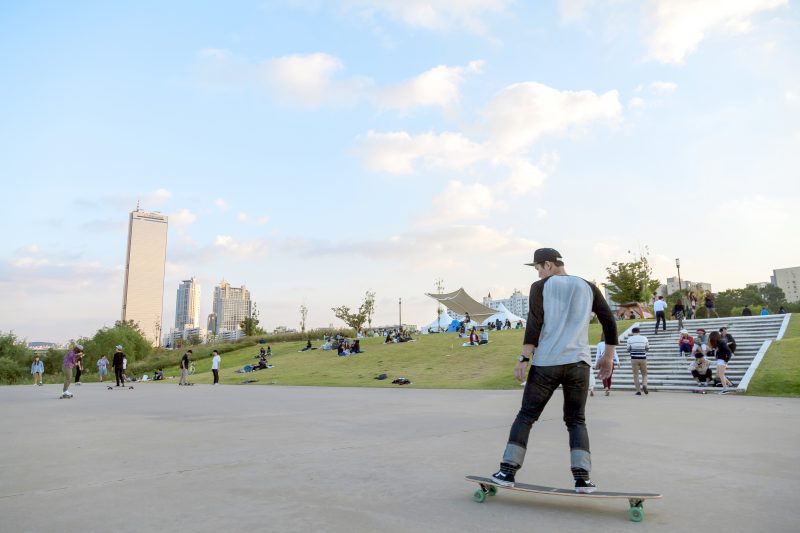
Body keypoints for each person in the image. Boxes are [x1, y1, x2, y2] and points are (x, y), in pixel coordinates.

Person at [490, 248, 618, 494]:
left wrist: (523, 358)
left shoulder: (540, 287)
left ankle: (507, 471)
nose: (538, 273)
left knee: (526, 415)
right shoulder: (588, 286)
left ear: (548, 265)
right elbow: (608, 321)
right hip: (579, 364)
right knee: (576, 420)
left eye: (538, 268)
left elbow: (535, 323)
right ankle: (582, 479)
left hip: (547, 363)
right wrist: (608, 358)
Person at [626, 327, 649, 396]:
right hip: (643, 358)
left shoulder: (629, 339)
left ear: (632, 332)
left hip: (634, 358)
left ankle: (638, 391)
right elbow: (647, 348)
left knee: (636, 375)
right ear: (639, 332)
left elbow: (628, 349)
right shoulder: (645, 338)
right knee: (644, 374)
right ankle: (644, 385)